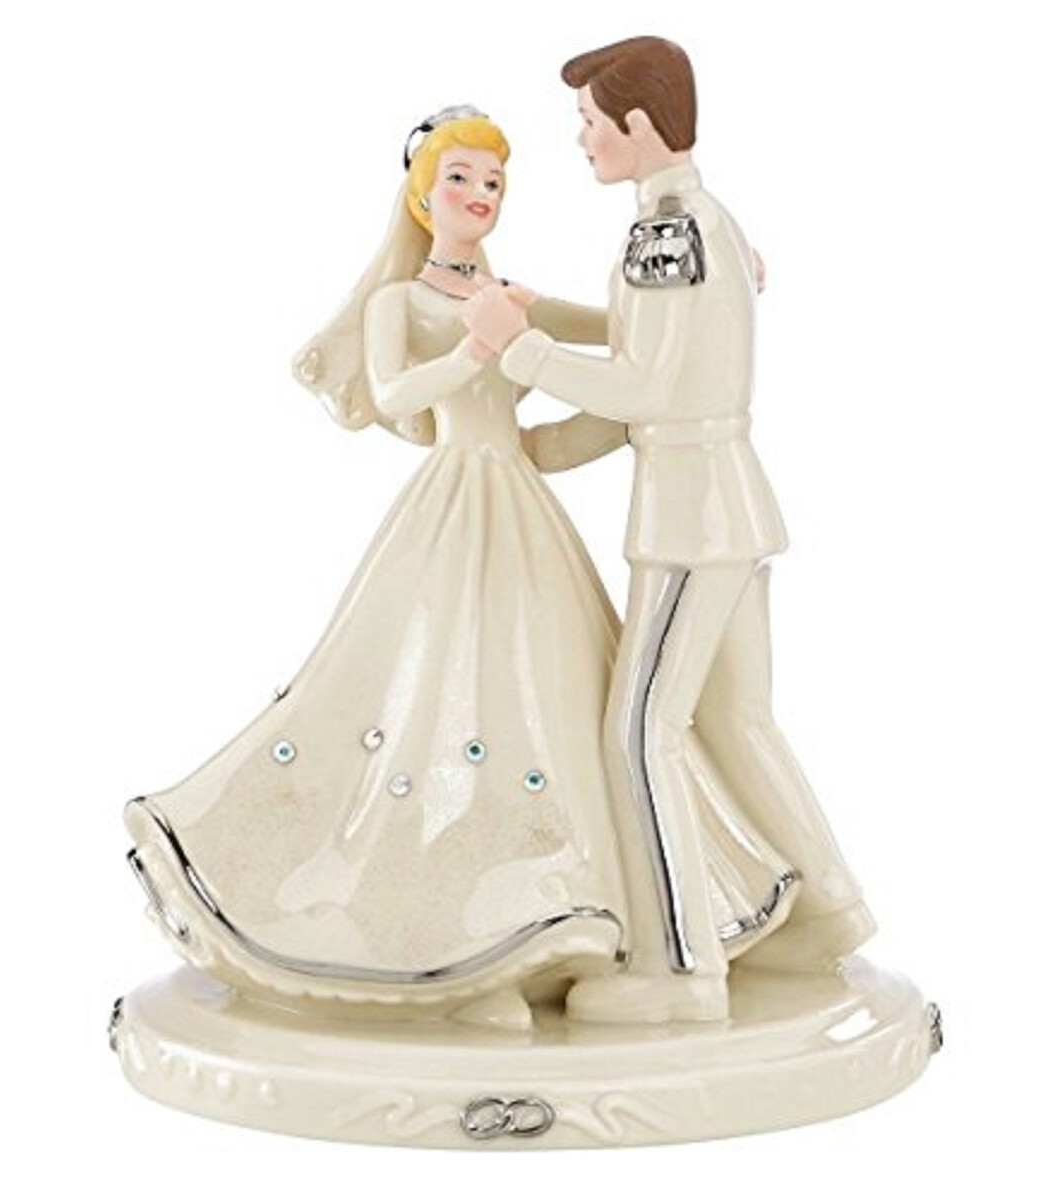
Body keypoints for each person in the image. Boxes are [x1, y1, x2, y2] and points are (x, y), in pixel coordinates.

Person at [123, 107, 795, 1029]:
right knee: (443, 704)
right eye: (461, 180)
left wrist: (723, 289)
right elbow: (395, 392)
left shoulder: (510, 295)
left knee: (549, 702)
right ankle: (448, 948)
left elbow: (621, 328)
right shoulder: (399, 304)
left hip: (521, 502)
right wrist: (481, 347)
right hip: (453, 502)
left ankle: (543, 929)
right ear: (421, 196)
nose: (481, 195)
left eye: (493, 181)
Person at [468, 38, 874, 1024]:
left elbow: (646, 387)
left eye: (590, 123)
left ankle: (680, 970)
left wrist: (519, 350)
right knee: (738, 719)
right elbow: (653, 364)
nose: (581, 140)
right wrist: (541, 443)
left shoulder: (665, 233)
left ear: (639, 126)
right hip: (727, 505)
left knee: (639, 731)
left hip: (690, 523)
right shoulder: (699, 223)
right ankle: (830, 912)